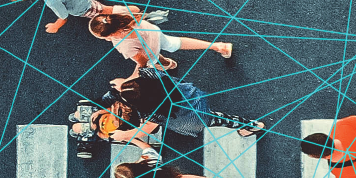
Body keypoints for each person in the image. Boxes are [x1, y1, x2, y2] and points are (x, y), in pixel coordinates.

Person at [101, 69, 265, 152]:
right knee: (217, 117)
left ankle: (252, 126)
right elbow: (141, 69)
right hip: (193, 97)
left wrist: (124, 135)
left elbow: (144, 131)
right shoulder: (151, 77)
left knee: (218, 119)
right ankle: (251, 125)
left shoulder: (150, 113)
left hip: (191, 119)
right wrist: (125, 83)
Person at [88, 10, 230, 79]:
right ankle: (217, 46)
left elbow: (142, 61)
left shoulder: (125, 46)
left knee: (154, 60)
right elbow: (135, 10)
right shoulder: (120, 15)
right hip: (153, 31)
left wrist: (131, 78)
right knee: (175, 43)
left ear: (112, 34)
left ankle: (168, 64)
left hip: (150, 50)